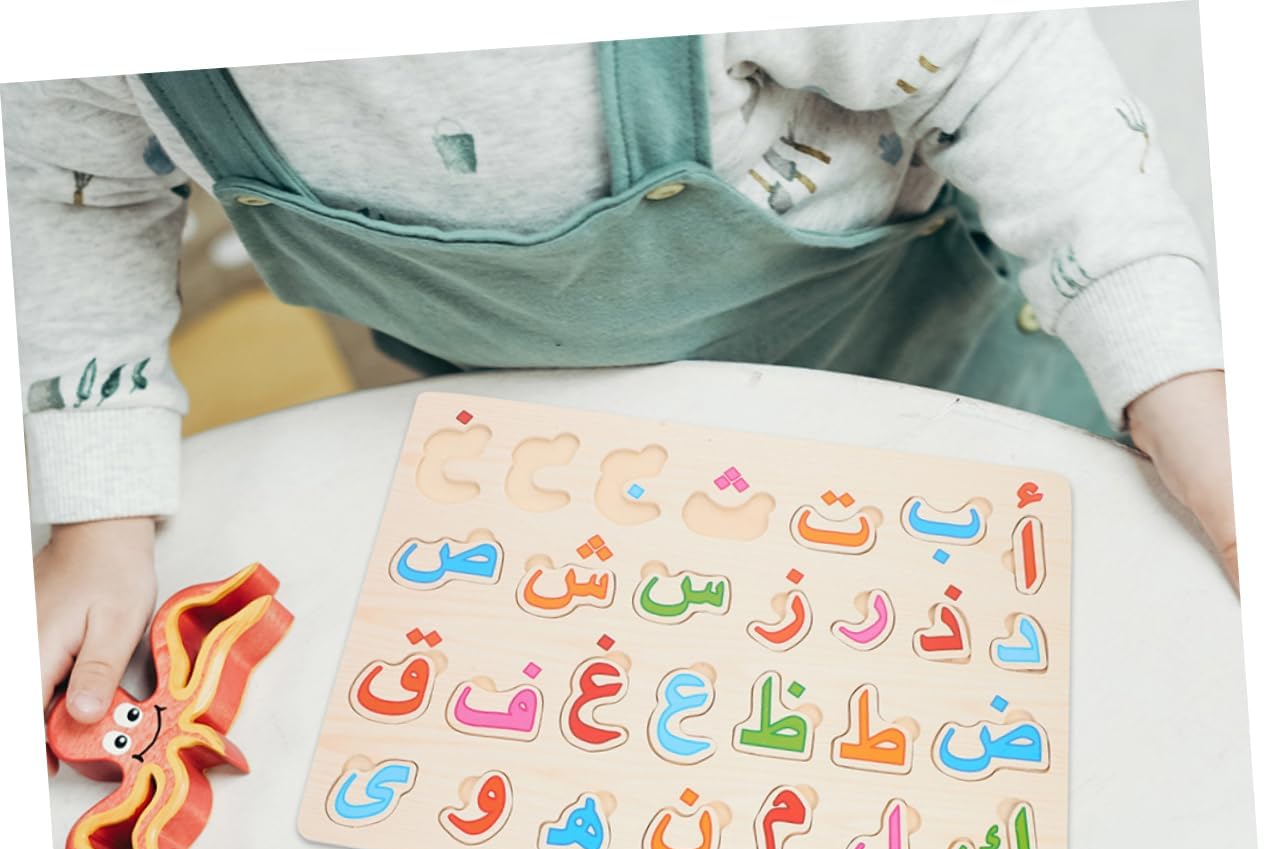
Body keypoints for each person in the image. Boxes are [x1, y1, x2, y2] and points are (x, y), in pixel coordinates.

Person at [5, 13, 1234, 750]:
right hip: (509, 443)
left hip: (916, 364)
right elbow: (76, 187)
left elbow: (1002, 59)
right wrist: (99, 512)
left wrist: (1177, 385)